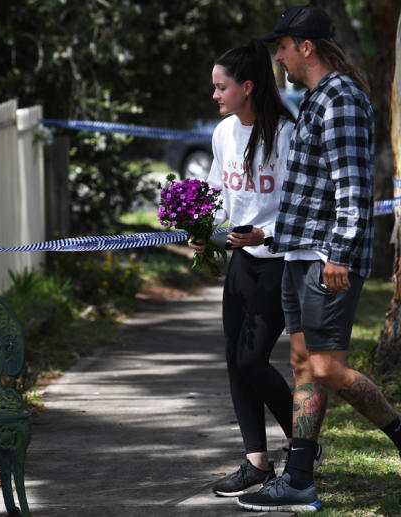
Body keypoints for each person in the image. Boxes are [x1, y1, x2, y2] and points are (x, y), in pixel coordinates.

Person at [237, 5, 392, 512]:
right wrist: (267, 231)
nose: (277, 56)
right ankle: (299, 478)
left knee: (327, 367)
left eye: (281, 46)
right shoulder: (314, 99)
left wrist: (341, 253)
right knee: (303, 364)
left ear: (306, 47)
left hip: (328, 256)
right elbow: (311, 191)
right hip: (301, 252)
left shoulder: (341, 98)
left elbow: (352, 185)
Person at [188, 39, 297, 498]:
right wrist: (200, 226)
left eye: (221, 87)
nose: (214, 95)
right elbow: (216, 193)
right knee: (236, 359)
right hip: (241, 261)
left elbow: (300, 205)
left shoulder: (288, 134)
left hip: (280, 260)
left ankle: (304, 444)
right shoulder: (223, 134)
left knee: (253, 358)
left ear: (247, 87)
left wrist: (265, 236)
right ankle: (256, 463)